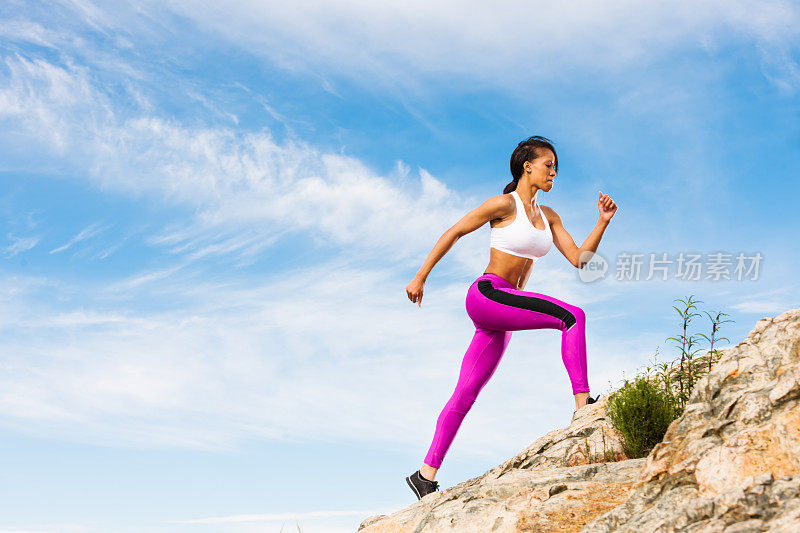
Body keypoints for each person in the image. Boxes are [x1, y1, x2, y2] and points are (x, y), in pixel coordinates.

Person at [404, 136, 618, 500]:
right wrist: (421, 275)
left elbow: (580, 260)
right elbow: (455, 231)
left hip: (501, 313)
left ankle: (424, 475)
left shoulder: (549, 216)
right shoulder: (504, 204)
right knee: (572, 316)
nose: (554, 172)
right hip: (488, 293)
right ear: (527, 166)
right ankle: (583, 405)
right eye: (548, 164)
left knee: (466, 392)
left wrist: (602, 222)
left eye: (556, 167)